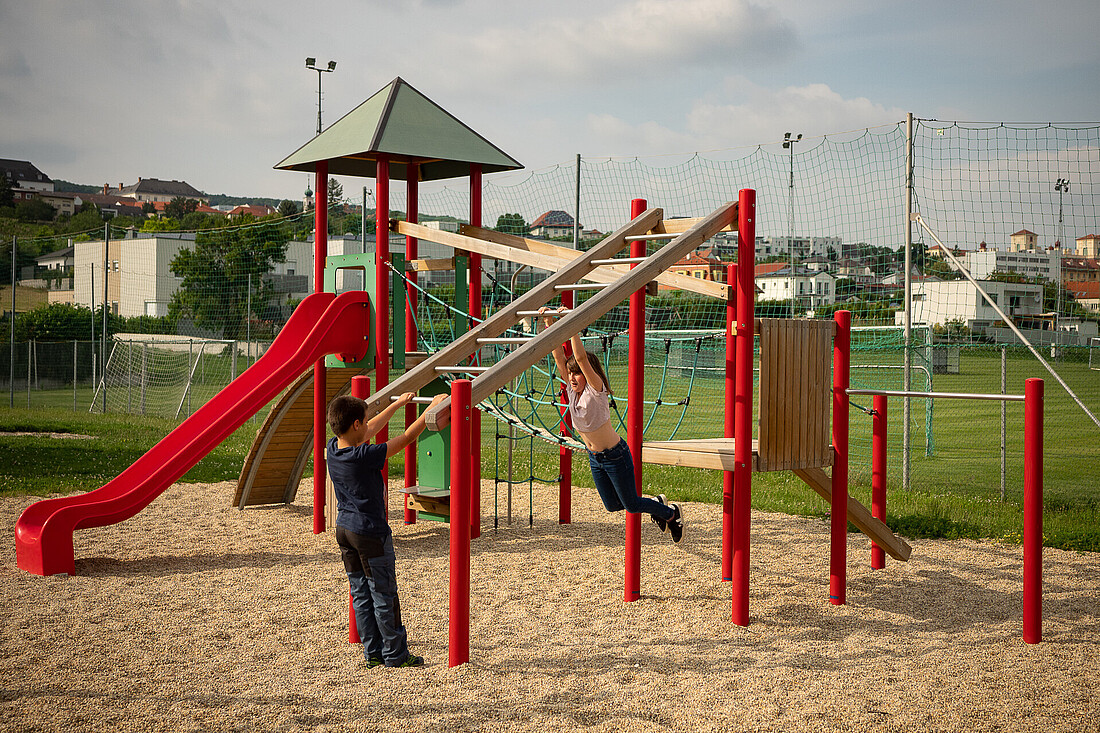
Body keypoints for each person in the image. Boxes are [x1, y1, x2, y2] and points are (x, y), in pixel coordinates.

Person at [539, 306, 684, 542]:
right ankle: (657, 504)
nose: (573, 378)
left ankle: (670, 514)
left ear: (589, 374)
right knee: (612, 506)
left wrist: (572, 324)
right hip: (595, 457)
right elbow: (558, 356)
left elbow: (581, 358)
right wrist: (549, 322)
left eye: (577, 374)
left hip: (616, 455)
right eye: (570, 374)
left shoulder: (596, 390)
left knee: (632, 504)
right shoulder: (571, 391)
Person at [326, 390, 446, 668]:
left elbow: (368, 430)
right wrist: (430, 411)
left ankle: (373, 654)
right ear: (356, 424)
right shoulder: (363, 456)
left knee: (360, 593)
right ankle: (395, 655)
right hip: (369, 533)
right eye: (364, 422)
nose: (368, 426)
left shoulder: (335, 448)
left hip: (344, 530)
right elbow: (404, 439)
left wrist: (397, 404)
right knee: (383, 594)